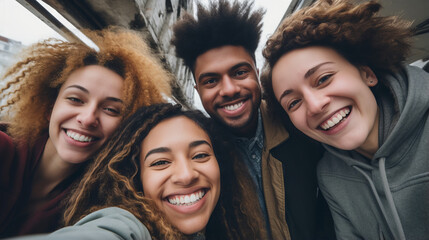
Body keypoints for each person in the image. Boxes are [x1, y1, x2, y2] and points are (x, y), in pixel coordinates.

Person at [262, 0, 429, 239]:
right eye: (294, 103)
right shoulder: (329, 176)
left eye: (323, 78)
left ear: (367, 74)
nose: (315, 105)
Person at [171, 0, 334, 239]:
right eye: (211, 81)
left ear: (256, 74)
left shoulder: (303, 125)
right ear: (197, 90)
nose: (228, 89)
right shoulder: (194, 158)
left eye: (239, 73)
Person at [0, 27, 172, 237]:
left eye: (111, 109)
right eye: (75, 99)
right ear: (49, 107)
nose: (88, 118)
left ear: (125, 128)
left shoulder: (100, 200)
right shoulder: (4, 149)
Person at [8, 103, 266, 240]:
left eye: (200, 155)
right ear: (135, 179)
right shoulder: (124, 225)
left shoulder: (227, 226)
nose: (186, 175)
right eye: (160, 162)